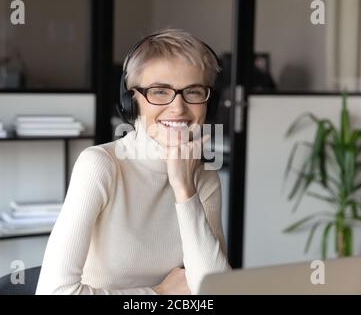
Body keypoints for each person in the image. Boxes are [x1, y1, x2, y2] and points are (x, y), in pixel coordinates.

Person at [36, 28, 231, 295]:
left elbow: (217, 292)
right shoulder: (100, 166)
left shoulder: (204, 179)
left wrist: (184, 189)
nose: (178, 107)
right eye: (160, 91)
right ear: (130, 101)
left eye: (194, 92)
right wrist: (158, 293)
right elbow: (54, 293)